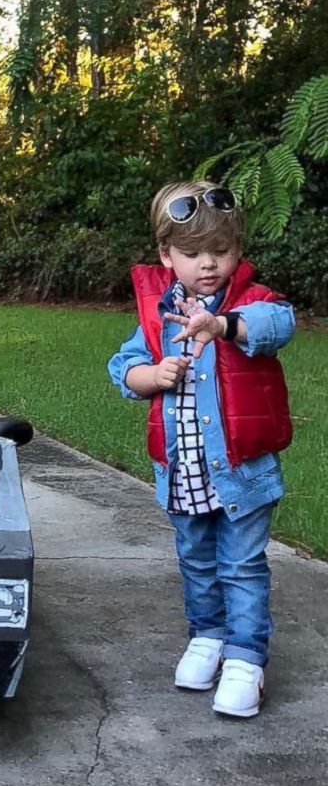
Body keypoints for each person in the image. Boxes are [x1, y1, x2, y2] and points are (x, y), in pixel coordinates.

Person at [108, 180, 294, 718]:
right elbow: (122, 369)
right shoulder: (157, 314)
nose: (208, 264)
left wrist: (222, 325)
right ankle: (208, 636)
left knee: (241, 563)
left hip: (242, 473)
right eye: (192, 254)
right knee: (196, 560)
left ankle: (245, 657)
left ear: (238, 252)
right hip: (182, 471)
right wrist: (152, 374)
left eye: (221, 251)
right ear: (167, 256)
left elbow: (278, 325)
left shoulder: (251, 302)